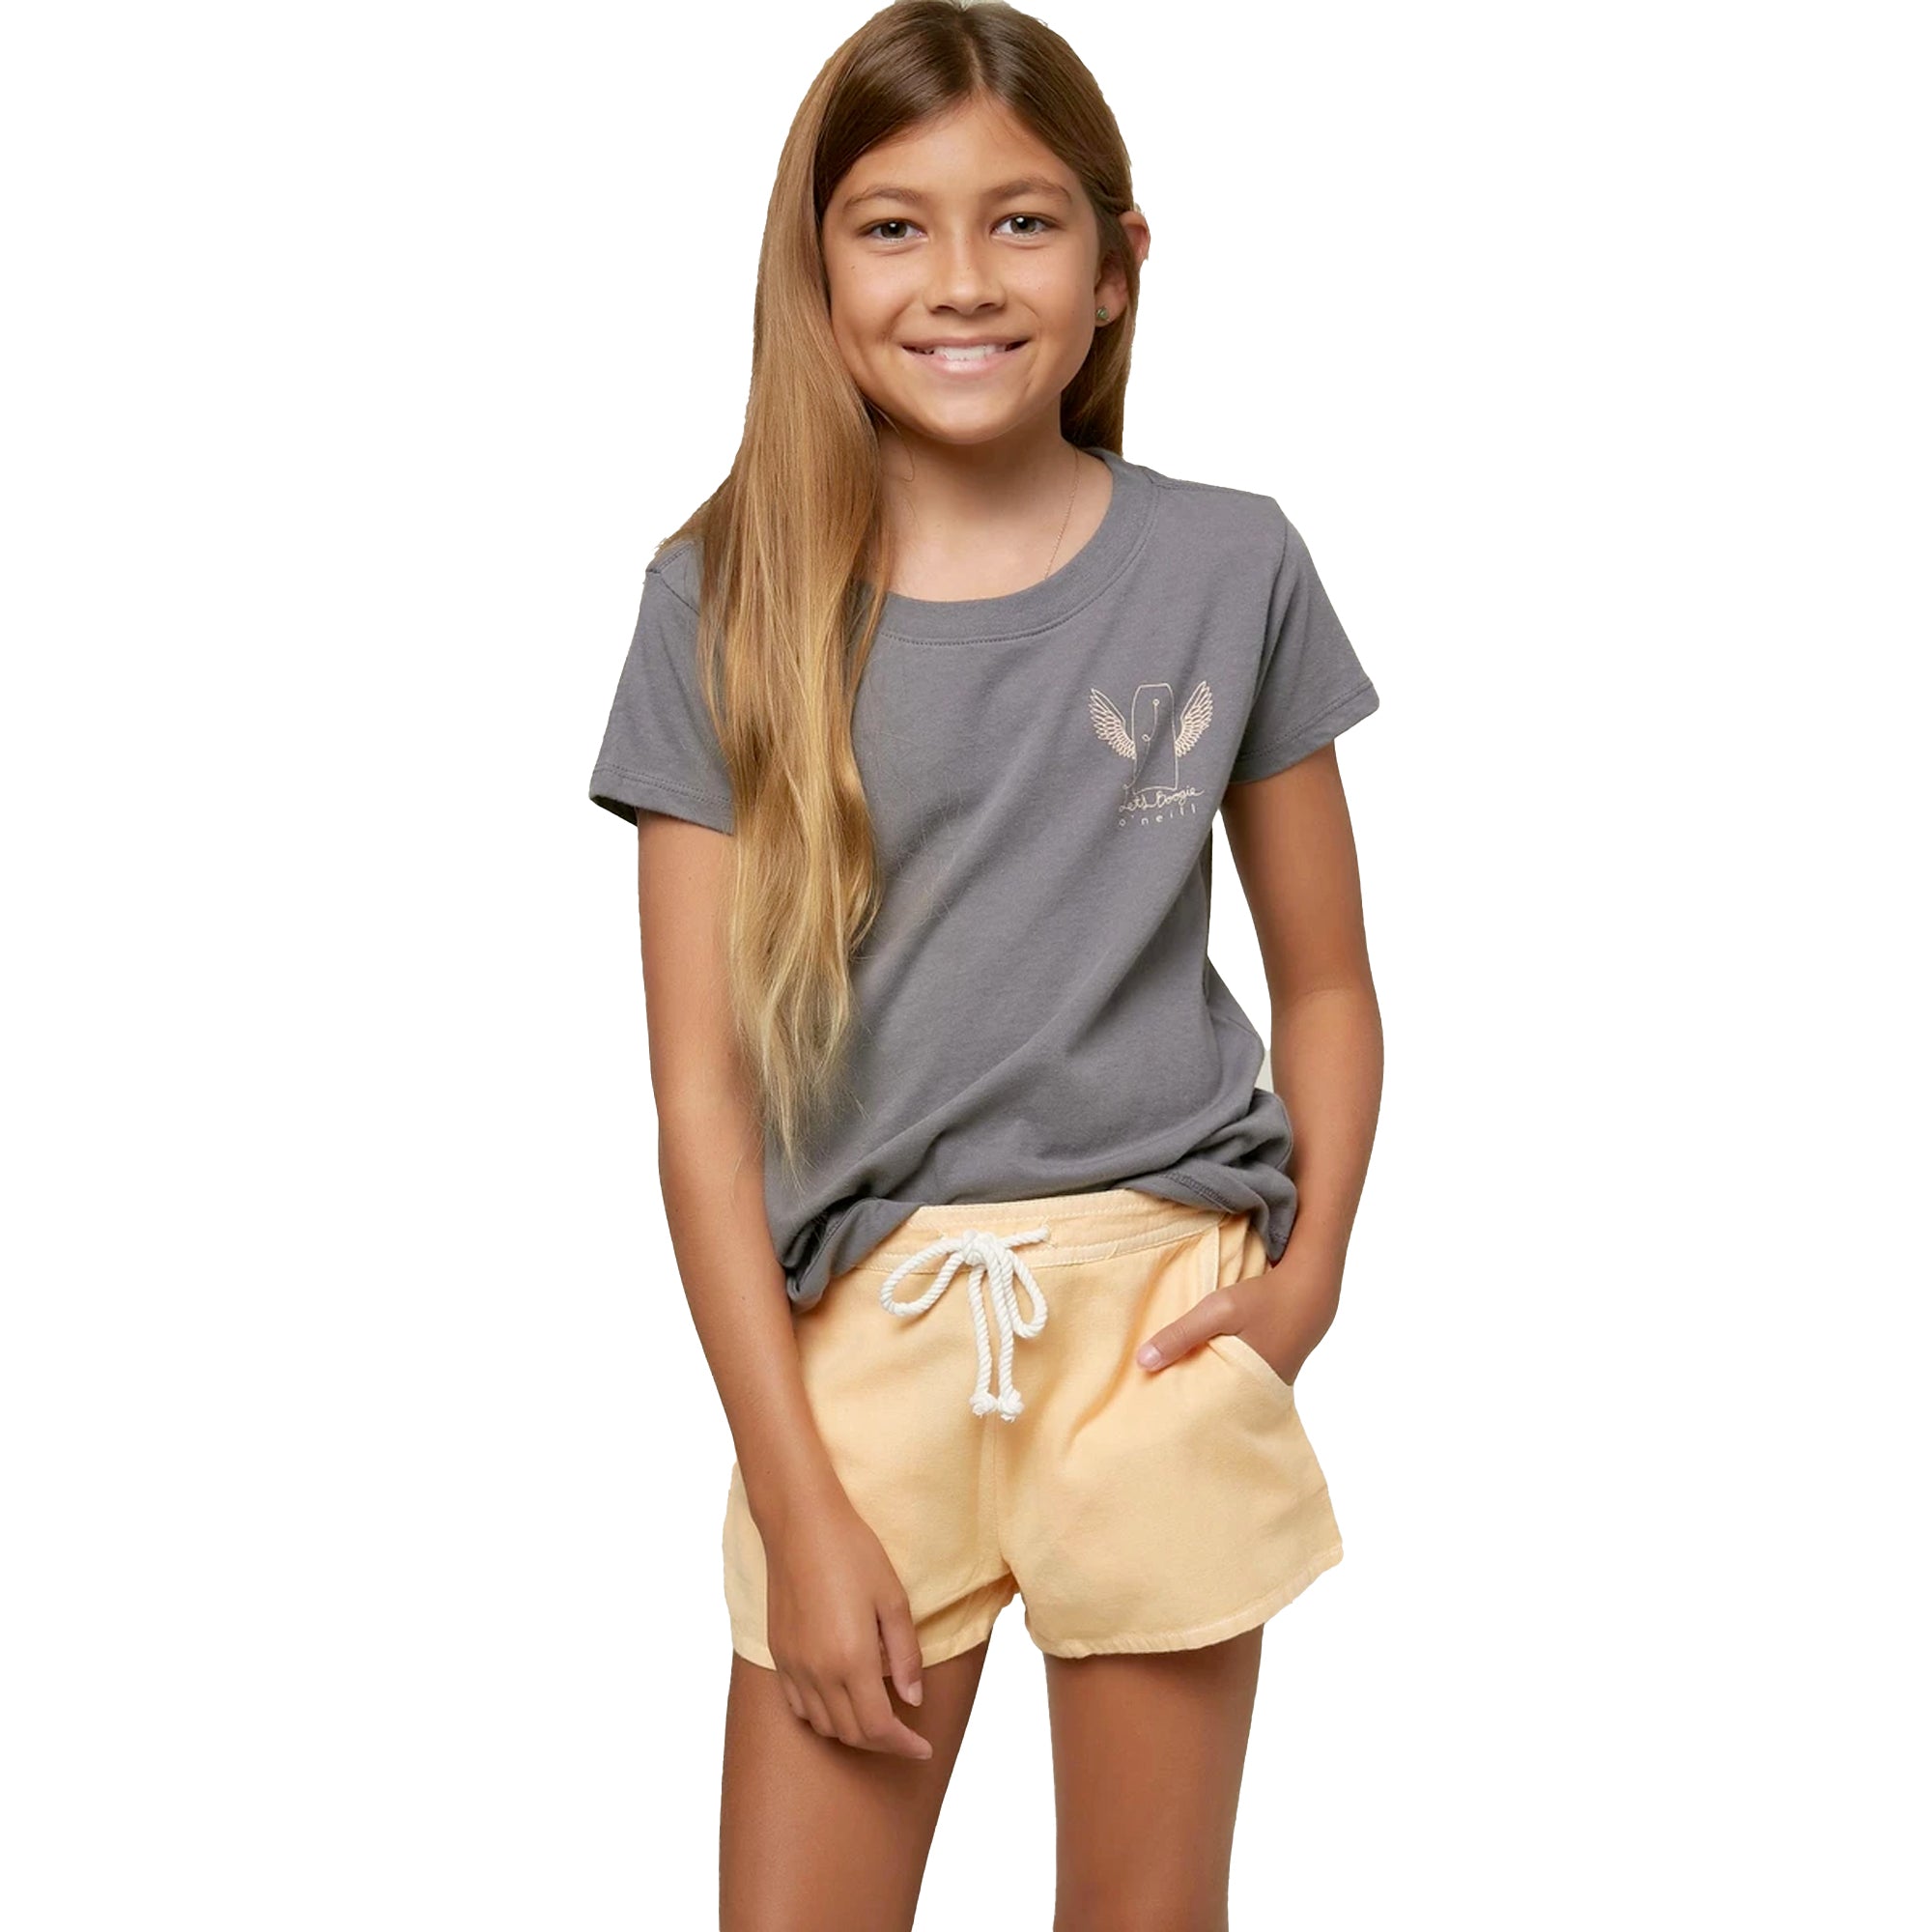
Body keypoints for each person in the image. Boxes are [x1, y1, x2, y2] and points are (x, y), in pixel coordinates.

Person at [585, 3, 1383, 1923]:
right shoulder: (720, 599)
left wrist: (1303, 1287)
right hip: (858, 1345)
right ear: (814, 268)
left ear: (1116, 265)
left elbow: (1329, 984)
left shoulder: (1230, 565)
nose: (961, 279)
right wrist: (792, 1487)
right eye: (894, 226)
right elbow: (701, 1100)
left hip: (1160, 1316)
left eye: (1021, 222)